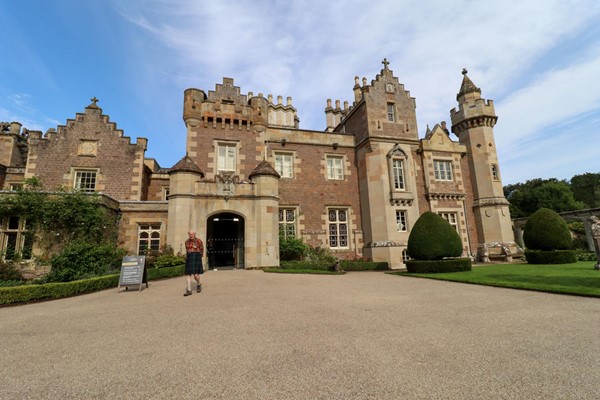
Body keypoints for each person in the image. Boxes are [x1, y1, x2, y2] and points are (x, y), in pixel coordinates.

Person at [183, 230, 204, 296]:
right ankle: (189, 290)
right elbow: (187, 250)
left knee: (196, 275)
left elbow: (202, 249)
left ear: (194, 234)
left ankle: (198, 284)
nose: (191, 235)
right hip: (189, 258)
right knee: (188, 274)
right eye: (190, 234)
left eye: (192, 234)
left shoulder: (199, 241)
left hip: (197, 257)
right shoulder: (186, 241)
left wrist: (199, 257)